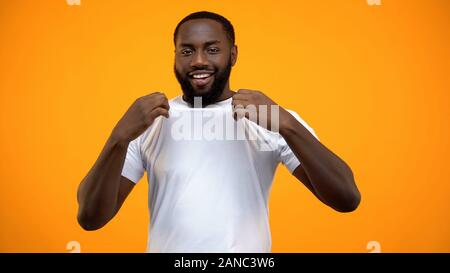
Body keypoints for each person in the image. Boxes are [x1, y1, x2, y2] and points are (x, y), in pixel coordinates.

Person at [77, 11, 361, 253]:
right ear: (175, 56)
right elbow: (90, 218)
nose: (198, 60)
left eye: (212, 49)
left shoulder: (268, 116)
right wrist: (119, 138)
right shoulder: (150, 120)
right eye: (187, 51)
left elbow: (346, 199)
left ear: (233, 54)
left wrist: (287, 124)